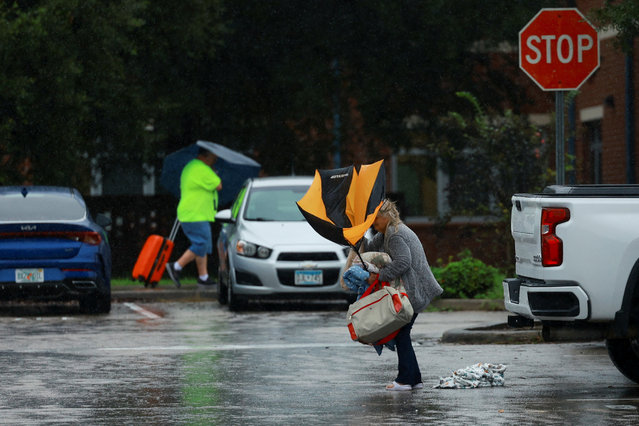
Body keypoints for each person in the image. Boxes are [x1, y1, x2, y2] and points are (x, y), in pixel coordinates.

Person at [362, 199, 443, 391]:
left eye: (375, 220)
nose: (373, 224)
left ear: (386, 217)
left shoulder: (395, 234)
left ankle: (406, 379)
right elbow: (371, 247)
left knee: (401, 333)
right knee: (402, 333)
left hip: (415, 289)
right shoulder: (386, 233)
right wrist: (356, 237)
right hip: (412, 288)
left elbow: (403, 262)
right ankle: (413, 379)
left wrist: (379, 276)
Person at [166, 148, 222, 287]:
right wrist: (214, 173)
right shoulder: (202, 168)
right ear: (206, 156)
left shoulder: (191, 166)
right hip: (195, 214)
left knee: (203, 245)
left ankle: (203, 277)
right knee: (201, 243)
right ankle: (176, 266)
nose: (215, 160)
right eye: (214, 158)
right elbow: (218, 185)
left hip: (194, 213)